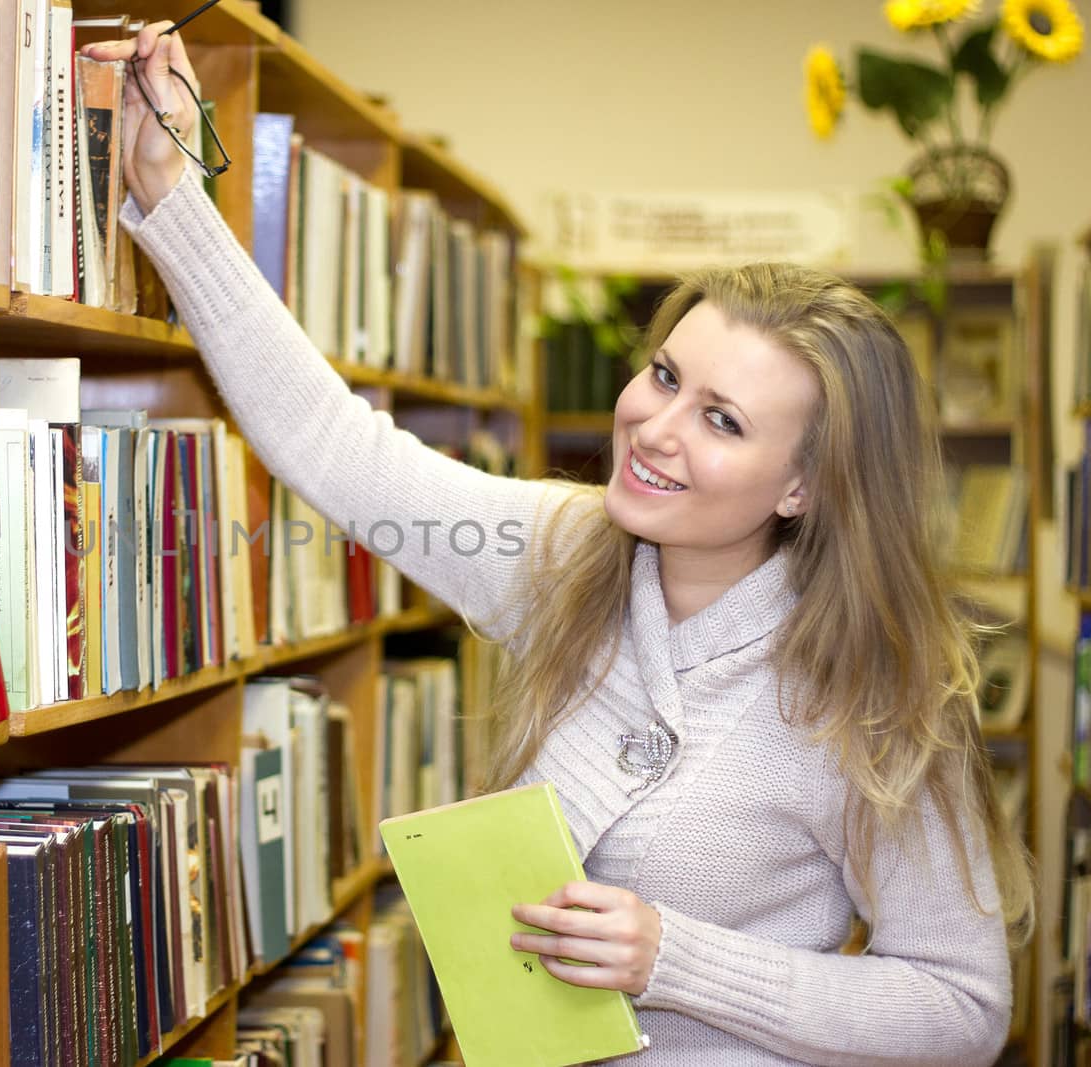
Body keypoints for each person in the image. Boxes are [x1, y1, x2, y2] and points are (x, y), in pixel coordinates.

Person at [85, 23, 1031, 1064]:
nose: (655, 428)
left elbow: (960, 1006)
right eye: (666, 377)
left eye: (722, 419)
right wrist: (170, 192)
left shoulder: (875, 688)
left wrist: (677, 957)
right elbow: (336, 445)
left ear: (805, 483)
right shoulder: (564, 551)